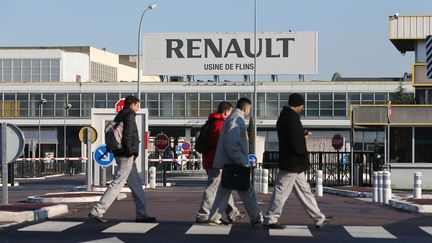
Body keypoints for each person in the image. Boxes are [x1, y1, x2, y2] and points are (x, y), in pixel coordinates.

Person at [263, 93, 331, 229]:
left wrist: (301, 136)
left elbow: (290, 137)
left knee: (304, 190)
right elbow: (295, 141)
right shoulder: (292, 119)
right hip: (292, 162)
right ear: (298, 104)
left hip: (290, 160)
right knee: (282, 190)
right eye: (302, 105)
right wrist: (303, 148)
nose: (302, 107)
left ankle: (318, 217)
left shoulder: (283, 117)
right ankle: (270, 218)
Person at [89, 95, 156, 223]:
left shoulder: (120, 114)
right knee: (117, 183)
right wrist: (130, 152)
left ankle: (142, 214)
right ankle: (97, 211)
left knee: (136, 185)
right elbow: (127, 135)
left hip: (122, 154)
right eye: (137, 105)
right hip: (126, 155)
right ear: (132, 104)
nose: (138, 108)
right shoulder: (129, 115)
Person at [208, 98, 262, 226]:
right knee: (246, 190)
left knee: (225, 190)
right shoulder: (237, 120)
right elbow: (231, 142)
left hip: (230, 162)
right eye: (249, 110)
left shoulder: (233, 118)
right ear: (245, 109)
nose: (249, 112)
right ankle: (256, 218)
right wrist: (239, 159)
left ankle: (215, 217)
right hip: (234, 162)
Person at [196, 101, 243, 224]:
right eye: (230, 112)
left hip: (210, 159)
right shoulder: (220, 124)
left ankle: (233, 213)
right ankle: (203, 214)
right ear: (226, 112)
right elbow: (223, 144)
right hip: (216, 161)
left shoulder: (211, 122)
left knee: (223, 187)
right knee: (213, 188)